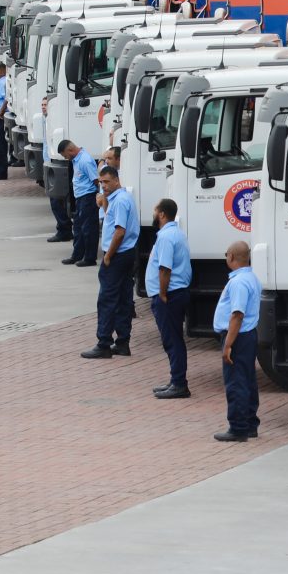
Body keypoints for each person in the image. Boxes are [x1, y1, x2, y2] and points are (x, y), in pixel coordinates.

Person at [83, 165, 139, 359]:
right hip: (125, 254)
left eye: (107, 182)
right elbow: (108, 213)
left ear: (117, 180)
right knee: (123, 298)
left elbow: (120, 231)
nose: (103, 186)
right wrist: (105, 196)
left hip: (118, 255)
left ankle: (104, 343)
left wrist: (108, 256)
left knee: (107, 299)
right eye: (101, 183)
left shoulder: (121, 201)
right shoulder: (116, 198)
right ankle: (122, 342)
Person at [212, 241, 261, 442]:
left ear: (231, 256)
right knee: (248, 379)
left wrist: (228, 344)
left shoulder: (239, 282)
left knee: (236, 382)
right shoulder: (251, 277)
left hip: (238, 336)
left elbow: (237, 315)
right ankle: (250, 423)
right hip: (248, 336)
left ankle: (238, 427)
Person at [147, 198, 193, 399]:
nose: (153, 213)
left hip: (170, 294)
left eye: (155, 210)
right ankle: (176, 380)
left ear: (162, 214)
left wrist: (163, 294)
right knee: (174, 339)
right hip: (178, 292)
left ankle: (179, 383)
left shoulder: (166, 237)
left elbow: (165, 268)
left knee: (172, 340)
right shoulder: (177, 233)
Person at [58, 139, 104, 267]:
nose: (65, 158)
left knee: (88, 228)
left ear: (70, 150)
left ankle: (90, 258)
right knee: (78, 227)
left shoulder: (85, 160)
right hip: (80, 198)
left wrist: (99, 197)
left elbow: (96, 180)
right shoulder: (76, 160)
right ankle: (77, 255)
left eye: (64, 155)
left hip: (88, 198)